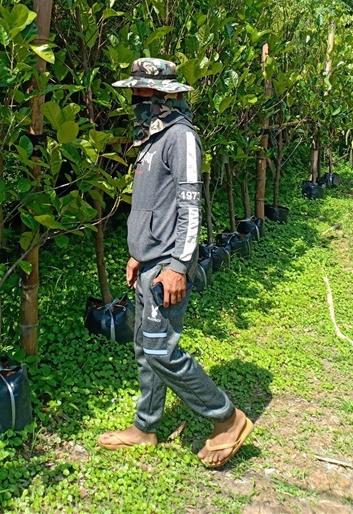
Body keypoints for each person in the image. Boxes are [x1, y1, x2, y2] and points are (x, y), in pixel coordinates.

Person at [98, 58, 254, 468]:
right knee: (144, 350)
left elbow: (190, 207)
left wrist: (177, 266)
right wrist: (138, 252)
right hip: (149, 261)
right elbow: (153, 205)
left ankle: (227, 418)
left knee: (160, 349)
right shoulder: (151, 137)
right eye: (133, 93)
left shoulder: (181, 137)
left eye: (142, 93)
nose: (135, 100)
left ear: (166, 95)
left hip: (168, 265)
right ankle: (145, 428)